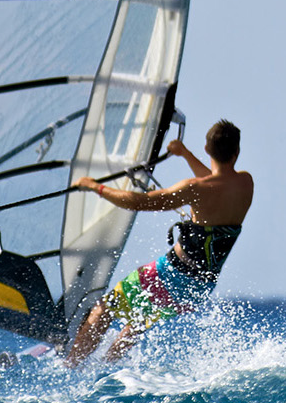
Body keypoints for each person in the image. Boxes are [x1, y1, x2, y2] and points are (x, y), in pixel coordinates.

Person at [63, 120, 254, 366]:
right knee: (138, 320)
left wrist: (95, 187)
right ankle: (106, 368)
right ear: (236, 152)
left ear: (207, 149)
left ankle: (70, 366)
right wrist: (185, 154)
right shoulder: (245, 184)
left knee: (105, 309)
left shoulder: (194, 188)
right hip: (200, 289)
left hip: (171, 275)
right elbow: (217, 181)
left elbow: (138, 202)